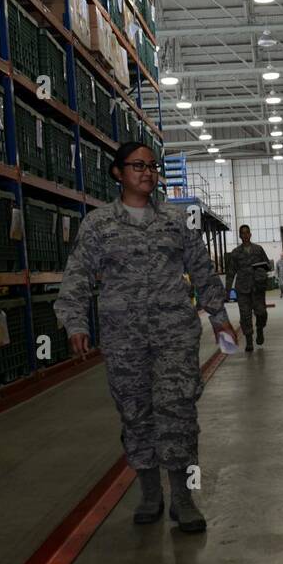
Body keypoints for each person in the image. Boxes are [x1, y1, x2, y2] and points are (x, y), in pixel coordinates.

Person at [56, 140, 236, 533]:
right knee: (136, 415)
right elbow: (77, 278)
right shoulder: (99, 225)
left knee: (179, 412)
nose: (148, 173)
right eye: (137, 166)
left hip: (174, 335)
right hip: (125, 340)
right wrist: (75, 323)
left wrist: (220, 318)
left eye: (153, 166)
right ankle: (150, 492)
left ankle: (184, 498)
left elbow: (202, 271)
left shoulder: (175, 220)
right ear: (117, 173)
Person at [226, 224, 271, 351]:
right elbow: (230, 273)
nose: (245, 235)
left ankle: (260, 328)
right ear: (240, 236)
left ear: (250, 234)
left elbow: (268, 265)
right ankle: (249, 341)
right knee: (245, 316)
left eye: (247, 233)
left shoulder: (258, 249)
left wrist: (262, 269)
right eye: (242, 233)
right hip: (242, 289)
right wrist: (227, 290)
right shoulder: (235, 253)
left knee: (261, 313)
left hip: (257, 288)